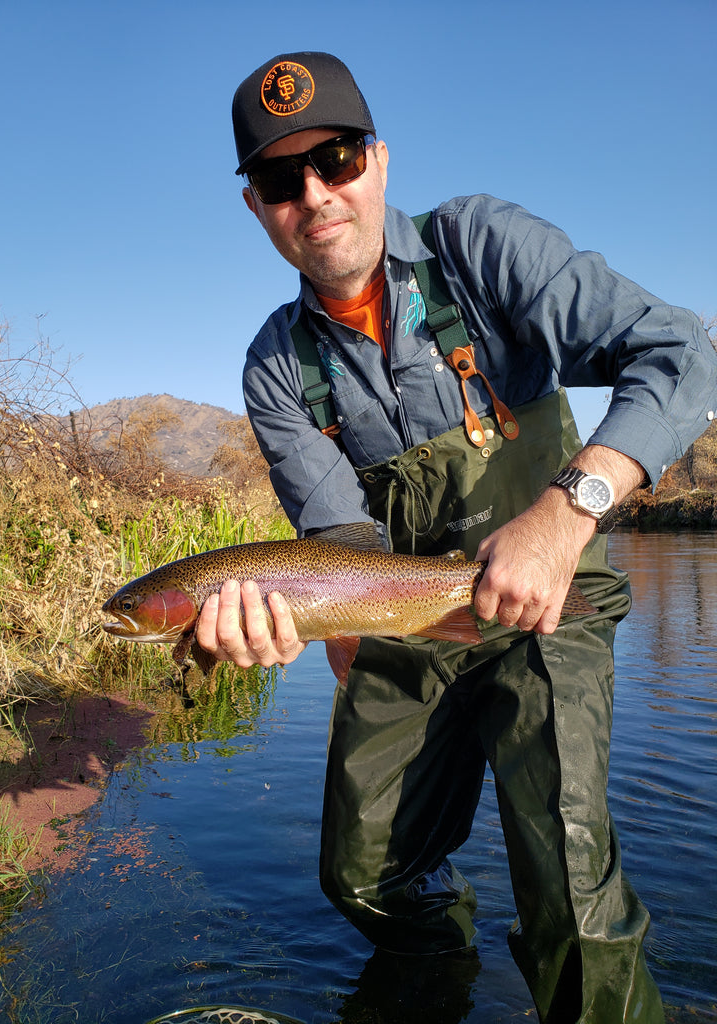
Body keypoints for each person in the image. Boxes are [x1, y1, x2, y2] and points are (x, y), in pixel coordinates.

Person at [196, 51, 717, 1023]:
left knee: (567, 883)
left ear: (379, 160)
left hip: (550, 603)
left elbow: (684, 355)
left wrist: (566, 513)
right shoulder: (275, 366)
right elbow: (342, 542)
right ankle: (437, 983)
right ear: (257, 207)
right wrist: (303, 625)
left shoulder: (478, 247)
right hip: (405, 614)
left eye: (337, 158)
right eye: (279, 179)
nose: (315, 196)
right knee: (361, 874)